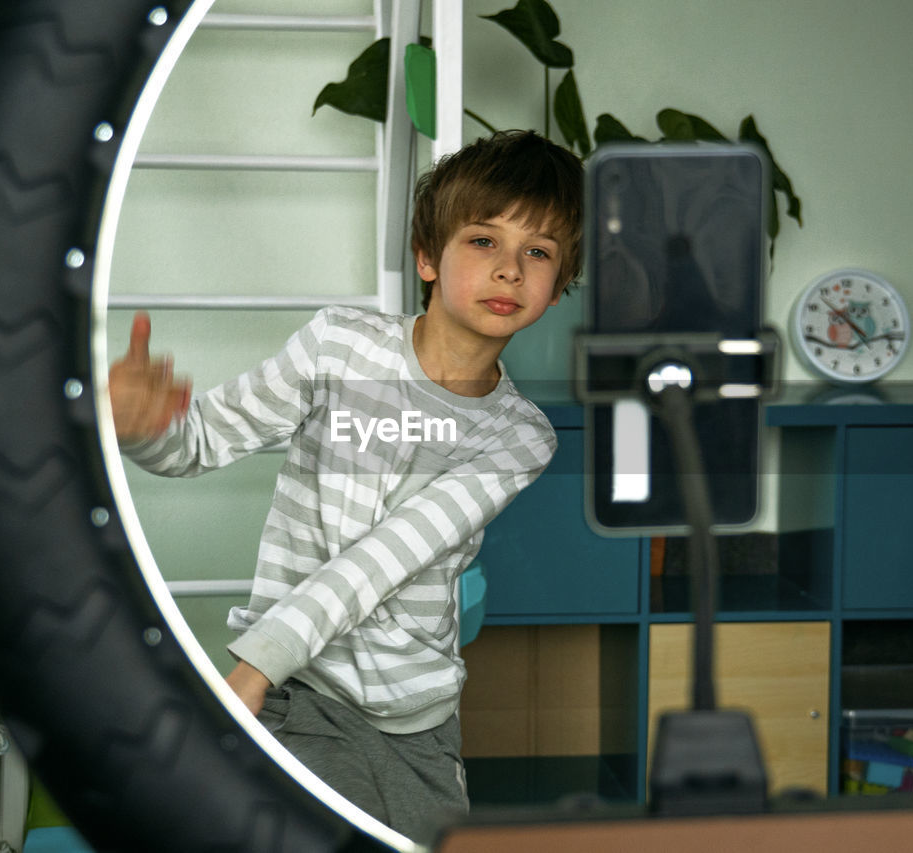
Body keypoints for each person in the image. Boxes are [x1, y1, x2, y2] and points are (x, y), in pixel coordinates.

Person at [109, 130, 583, 841]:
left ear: (559, 283)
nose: (510, 270)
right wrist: (144, 429)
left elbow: (382, 558)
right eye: (484, 241)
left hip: (414, 718)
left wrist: (252, 668)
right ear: (428, 256)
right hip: (299, 693)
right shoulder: (337, 346)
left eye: (538, 252)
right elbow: (200, 441)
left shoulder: (520, 437)